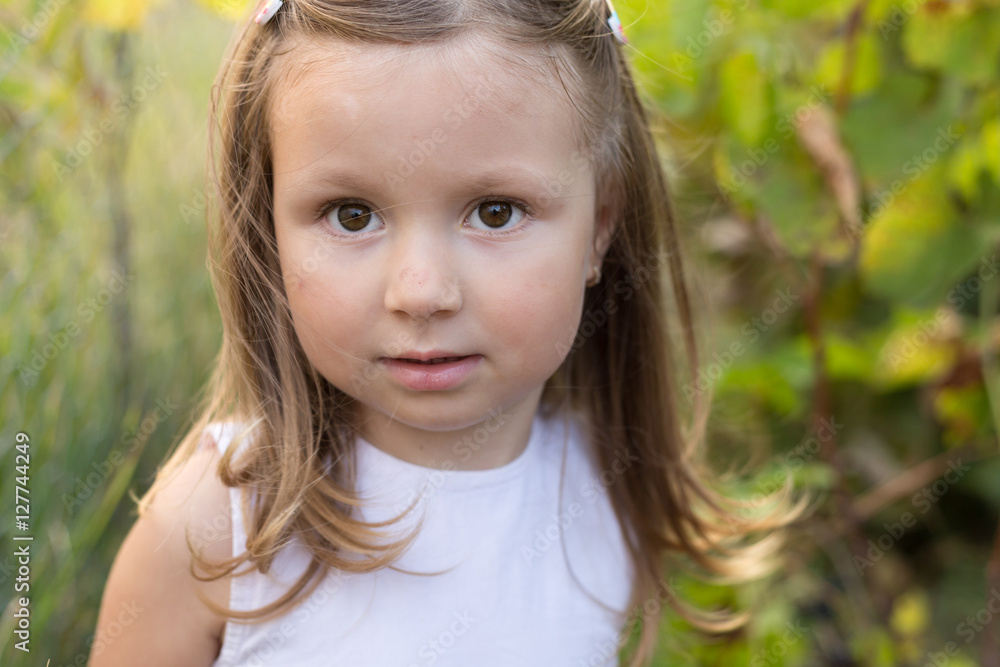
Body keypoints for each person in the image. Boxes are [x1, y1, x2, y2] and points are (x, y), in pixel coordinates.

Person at [90, 0, 804, 665]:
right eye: (351, 215)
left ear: (600, 228)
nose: (422, 291)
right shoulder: (214, 531)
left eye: (495, 212)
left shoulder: (601, 494)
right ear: (267, 228)